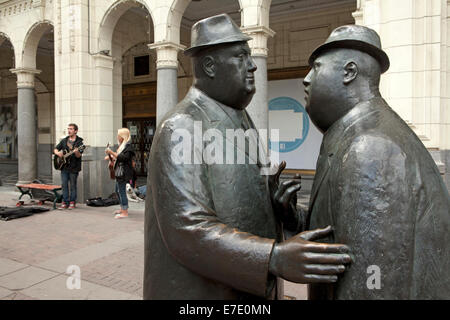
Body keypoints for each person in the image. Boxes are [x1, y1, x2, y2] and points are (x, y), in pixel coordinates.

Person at [144, 14, 352, 300]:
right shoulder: (182, 126)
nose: (253, 65)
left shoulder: (241, 119)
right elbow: (188, 229)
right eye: (241, 57)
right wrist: (273, 258)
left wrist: (277, 207)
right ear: (209, 66)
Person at [304, 25, 450, 299]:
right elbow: (344, 234)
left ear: (349, 72)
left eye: (317, 68)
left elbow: (372, 284)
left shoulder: (370, 149)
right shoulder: (357, 135)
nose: (307, 79)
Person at [105, 128, 135, 219]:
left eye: (119, 135)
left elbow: (123, 158)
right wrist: (110, 157)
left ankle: (125, 212)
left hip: (123, 173)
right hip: (119, 172)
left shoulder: (128, 147)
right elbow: (118, 157)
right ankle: (122, 209)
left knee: (121, 192)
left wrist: (111, 153)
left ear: (123, 136)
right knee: (118, 191)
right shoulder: (122, 146)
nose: (117, 137)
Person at [54, 123, 84, 209]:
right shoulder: (64, 140)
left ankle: (72, 202)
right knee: (64, 184)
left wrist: (76, 151)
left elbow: (78, 156)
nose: (69, 130)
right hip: (64, 167)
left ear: (75, 131)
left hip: (74, 167)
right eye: (68, 129)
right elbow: (56, 149)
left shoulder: (79, 142)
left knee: (73, 185)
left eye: (71, 129)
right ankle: (65, 201)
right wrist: (58, 153)